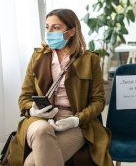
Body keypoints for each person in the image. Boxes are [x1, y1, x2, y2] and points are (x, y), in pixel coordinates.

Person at [8, 9, 113, 166]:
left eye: (56, 27)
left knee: (30, 164)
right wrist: (32, 110)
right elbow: (24, 97)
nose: (49, 32)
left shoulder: (89, 60)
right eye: (47, 27)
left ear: (71, 31)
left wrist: (76, 120)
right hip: (40, 118)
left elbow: (98, 101)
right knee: (41, 131)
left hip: (74, 120)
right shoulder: (37, 57)